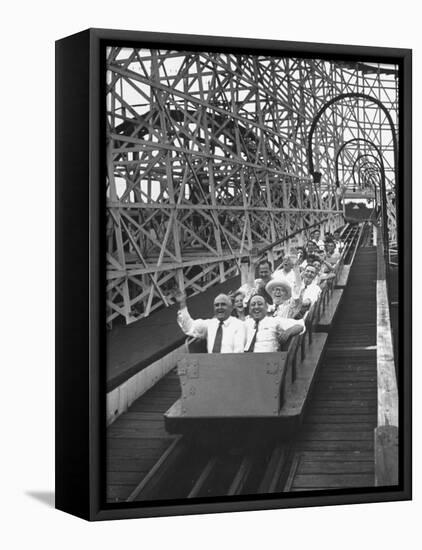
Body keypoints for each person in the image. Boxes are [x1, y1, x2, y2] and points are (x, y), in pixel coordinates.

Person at [176, 291, 246, 353]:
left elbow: (238, 353)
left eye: (223, 304)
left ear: (230, 308)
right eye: (216, 305)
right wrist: (182, 304)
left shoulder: (238, 325)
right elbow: (190, 326)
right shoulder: (210, 324)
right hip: (210, 364)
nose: (219, 308)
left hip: (231, 364)